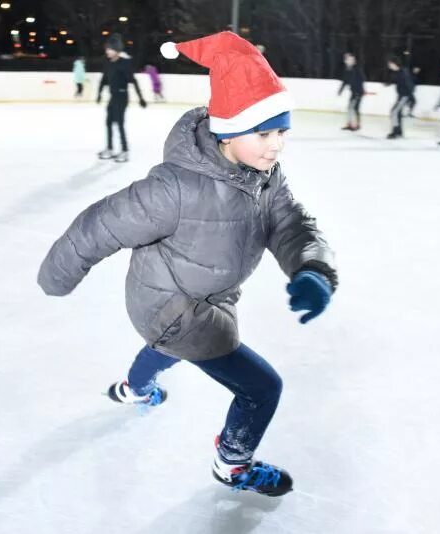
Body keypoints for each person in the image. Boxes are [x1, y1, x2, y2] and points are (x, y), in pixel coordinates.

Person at [38, 31, 337, 497]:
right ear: (227, 129)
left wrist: (312, 267)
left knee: (166, 347)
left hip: (203, 296)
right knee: (262, 388)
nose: (276, 146)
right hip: (170, 303)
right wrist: (58, 274)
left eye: (282, 132)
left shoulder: (264, 175)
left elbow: (291, 222)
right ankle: (232, 465)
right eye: (263, 132)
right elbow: (102, 223)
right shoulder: (176, 187)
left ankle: (133, 389)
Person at [96, 34, 147, 162]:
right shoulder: (108, 63)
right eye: (107, 49)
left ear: (117, 50)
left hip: (122, 96)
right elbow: (104, 79)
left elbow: (133, 80)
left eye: (110, 49)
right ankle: (109, 148)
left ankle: (124, 151)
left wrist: (141, 98)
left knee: (119, 124)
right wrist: (99, 93)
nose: (107, 51)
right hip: (113, 97)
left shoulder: (124, 64)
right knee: (108, 123)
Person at [386, 56, 414, 139]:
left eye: (390, 64)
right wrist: (389, 83)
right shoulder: (398, 72)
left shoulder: (403, 72)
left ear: (394, 64)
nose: (389, 65)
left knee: (394, 112)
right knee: (397, 113)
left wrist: (410, 97)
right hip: (401, 95)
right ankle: (399, 132)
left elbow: (409, 85)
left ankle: (395, 132)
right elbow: (399, 81)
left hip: (405, 96)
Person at [338, 52, 365, 131]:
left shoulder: (357, 69)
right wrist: (341, 90)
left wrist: (358, 88)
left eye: (352, 59)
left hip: (358, 92)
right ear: (345, 61)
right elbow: (345, 81)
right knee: (350, 108)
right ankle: (350, 124)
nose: (351, 61)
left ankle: (356, 125)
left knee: (354, 108)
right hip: (353, 92)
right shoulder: (347, 70)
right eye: (349, 59)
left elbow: (362, 78)